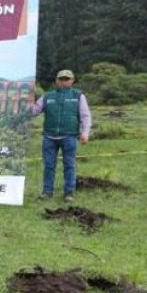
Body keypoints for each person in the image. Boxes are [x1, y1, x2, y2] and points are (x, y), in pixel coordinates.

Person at [29, 69, 91, 202]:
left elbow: (85, 116)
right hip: (49, 137)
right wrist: (27, 99)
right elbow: (34, 111)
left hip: (70, 137)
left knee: (69, 165)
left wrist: (85, 133)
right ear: (56, 81)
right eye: (61, 79)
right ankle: (47, 192)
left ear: (72, 81)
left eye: (66, 79)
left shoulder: (78, 96)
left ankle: (69, 193)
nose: (64, 82)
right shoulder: (47, 96)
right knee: (49, 166)